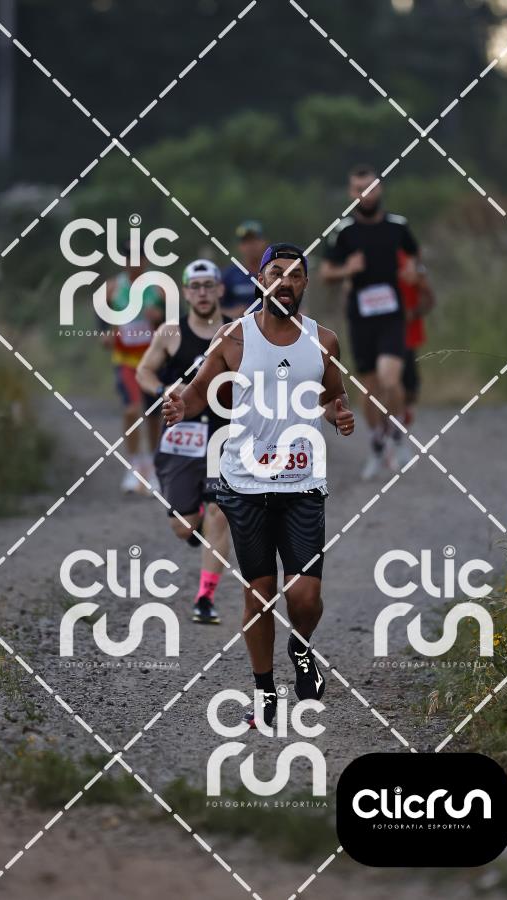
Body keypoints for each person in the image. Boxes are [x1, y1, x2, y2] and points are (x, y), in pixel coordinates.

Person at [163, 242, 354, 727]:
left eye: (295, 274)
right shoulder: (233, 337)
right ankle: (265, 691)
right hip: (245, 484)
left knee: (304, 597)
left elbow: (333, 396)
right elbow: (200, 390)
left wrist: (339, 415)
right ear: (260, 281)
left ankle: (301, 646)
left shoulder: (324, 340)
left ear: (305, 283)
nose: (285, 282)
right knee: (260, 593)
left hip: (302, 483)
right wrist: (181, 404)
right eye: (276, 273)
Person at [136, 259, 231, 624]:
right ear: (186, 293)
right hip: (181, 438)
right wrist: (163, 389)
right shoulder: (170, 332)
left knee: (219, 513)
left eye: (209, 285)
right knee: (183, 526)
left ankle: (205, 598)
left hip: (224, 435)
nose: (203, 293)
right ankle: (195, 525)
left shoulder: (237, 332)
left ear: (220, 289)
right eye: (196, 286)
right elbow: (143, 371)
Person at [320, 164, 419, 478]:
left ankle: (399, 438)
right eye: (358, 189)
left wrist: (414, 271)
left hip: (392, 316)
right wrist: (346, 269)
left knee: (391, 380)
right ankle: (377, 446)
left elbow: (415, 258)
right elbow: (325, 272)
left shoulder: (398, 226)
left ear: (380, 189)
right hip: (361, 319)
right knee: (370, 389)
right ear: (351, 193)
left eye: (370, 188)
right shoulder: (343, 231)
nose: (365, 195)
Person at [101, 243, 165, 493]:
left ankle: (154, 466)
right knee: (131, 410)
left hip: (153, 360)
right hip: (126, 360)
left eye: (139, 257)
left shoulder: (158, 287)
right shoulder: (113, 287)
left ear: (146, 259)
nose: (134, 262)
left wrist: (159, 317)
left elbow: (175, 319)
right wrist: (105, 333)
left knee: (154, 415)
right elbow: (101, 318)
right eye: (129, 257)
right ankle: (134, 465)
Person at [397, 249, 436, 428]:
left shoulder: (409, 259)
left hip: (407, 334)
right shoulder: (368, 255)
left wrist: (412, 313)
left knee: (409, 382)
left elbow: (429, 299)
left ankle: (405, 414)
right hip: (378, 332)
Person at [221, 220, 268, 319]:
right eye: (246, 242)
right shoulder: (229, 276)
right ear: (240, 246)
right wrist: (231, 312)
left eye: (255, 240)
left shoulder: (276, 273)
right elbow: (213, 309)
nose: (251, 246)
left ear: (264, 242)